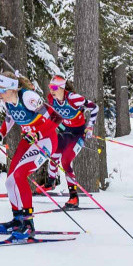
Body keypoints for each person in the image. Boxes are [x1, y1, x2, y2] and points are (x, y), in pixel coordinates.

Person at [0, 73, 55, 240]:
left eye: (1, 90)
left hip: (45, 140)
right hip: (29, 140)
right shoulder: (8, 101)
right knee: (10, 181)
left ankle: (28, 224)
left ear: (12, 89)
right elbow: (10, 120)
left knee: (20, 175)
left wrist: (38, 134)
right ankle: (18, 220)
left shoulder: (29, 98)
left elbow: (55, 118)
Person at [44, 73, 95, 207]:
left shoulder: (74, 98)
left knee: (66, 161)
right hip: (64, 132)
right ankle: (51, 181)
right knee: (53, 153)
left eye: (54, 87)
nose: (51, 90)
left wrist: (90, 127)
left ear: (62, 88)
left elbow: (95, 107)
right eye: (50, 87)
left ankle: (73, 197)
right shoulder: (51, 99)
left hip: (78, 134)